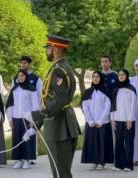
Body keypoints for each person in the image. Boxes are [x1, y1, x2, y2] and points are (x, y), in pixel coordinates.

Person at [25, 34, 80, 178]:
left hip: (59, 128)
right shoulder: (63, 67)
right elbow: (51, 101)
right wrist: (36, 125)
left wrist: (36, 115)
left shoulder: (58, 71)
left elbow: (60, 100)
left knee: (61, 173)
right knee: (61, 172)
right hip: (62, 124)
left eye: (48, 48)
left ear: (55, 49)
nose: (46, 51)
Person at [6, 69, 39, 169]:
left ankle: (27, 160)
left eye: (22, 76)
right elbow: (10, 105)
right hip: (16, 118)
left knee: (27, 139)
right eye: (19, 76)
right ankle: (18, 160)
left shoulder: (31, 89)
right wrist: (10, 119)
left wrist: (33, 120)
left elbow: (35, 105)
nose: (20, 77)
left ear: (26, 77)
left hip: (27, 118)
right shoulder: (14, 90)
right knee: (16, 139)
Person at [80, 71, 114, 170]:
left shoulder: (105, 91)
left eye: (97, 77)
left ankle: (101, 162)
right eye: (94, 77)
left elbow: (107, 107)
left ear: (101, 78)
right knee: (93, 142)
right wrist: (90, 121)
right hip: (91, 123)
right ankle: (94, 162)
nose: (95, 78)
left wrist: (100, 121)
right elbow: (85, 107)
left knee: (102, 142)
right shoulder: (88, 92)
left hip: (103, 122)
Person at [111, 69, 137, 172]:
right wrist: (112, 119)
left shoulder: (131, 89)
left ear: (126, 76)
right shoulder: (115, 89)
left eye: (123, 74)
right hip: (117, 120)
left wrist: (130, 119)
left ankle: (128, 165)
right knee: (118, 143)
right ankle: (118, 164)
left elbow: (133, 105)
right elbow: (112, 106)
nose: (121, 76)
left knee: (129, 142)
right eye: (119, 75)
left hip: (128, 120)